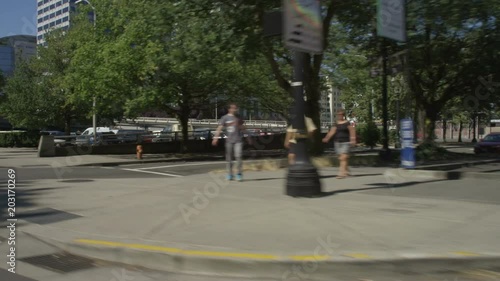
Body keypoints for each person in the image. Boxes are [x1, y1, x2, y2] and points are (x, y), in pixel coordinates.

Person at [212, 103, 246, 181]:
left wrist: (248, 136)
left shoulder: (239, 117)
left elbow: (243, 127)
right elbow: (219, 128)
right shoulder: (225, 118)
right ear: (229, 109)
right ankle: (230, 174)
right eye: (233, 108)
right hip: (229, 141)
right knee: (229, 158)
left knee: (238, 156)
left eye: (236, 108)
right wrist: (215, 138)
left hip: (238, 140)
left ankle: (239, 173)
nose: (235, 110)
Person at [322, 109, 356, 179]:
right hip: (337, 142)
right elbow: (332, 131)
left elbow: (352, 131)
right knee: (342, 158)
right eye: (339, 115)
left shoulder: (347, 123)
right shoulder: (336, 123)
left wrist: (353, 139)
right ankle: (346, 171)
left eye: (342, 114)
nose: (340, 116)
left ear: (344, 115)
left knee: (343, 158)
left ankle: (341, 173)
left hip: (346, 142)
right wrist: (327, 138)